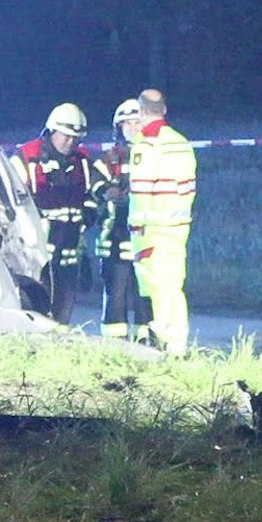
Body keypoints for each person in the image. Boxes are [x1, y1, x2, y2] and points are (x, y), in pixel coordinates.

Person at [12, 102, 100, 325]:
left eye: (75, 138)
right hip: (36, 257)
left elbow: (90, 196)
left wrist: (88, 215)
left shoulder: (82, 161)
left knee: (62, 318)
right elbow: (13, 202)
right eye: (66, 136)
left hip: (69, 256)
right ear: (52, 130)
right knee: (35, 312)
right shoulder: (27, 158)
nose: (70, 142)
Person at [127, 88, 197, 355]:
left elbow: (141, 192)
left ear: (142, 112)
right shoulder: (181, 142)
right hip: (178, 226)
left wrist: (136, 226)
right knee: (174, 284)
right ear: (164, 110)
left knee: (157, 288)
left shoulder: (145, 145)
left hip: (151, 229)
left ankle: (168, 341)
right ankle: (177, 342)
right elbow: (189, 189)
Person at [93, 98, 152, 343]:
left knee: (143, 295)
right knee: (115, 295)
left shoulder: (152, 154)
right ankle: (114, 345)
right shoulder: (109, 159)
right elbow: (94, 184)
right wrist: (106, 191)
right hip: (114, 239)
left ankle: (145, 342)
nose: (131, 128)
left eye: (136, 122)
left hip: (145, 237)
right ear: (118, 128)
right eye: (126, 124)